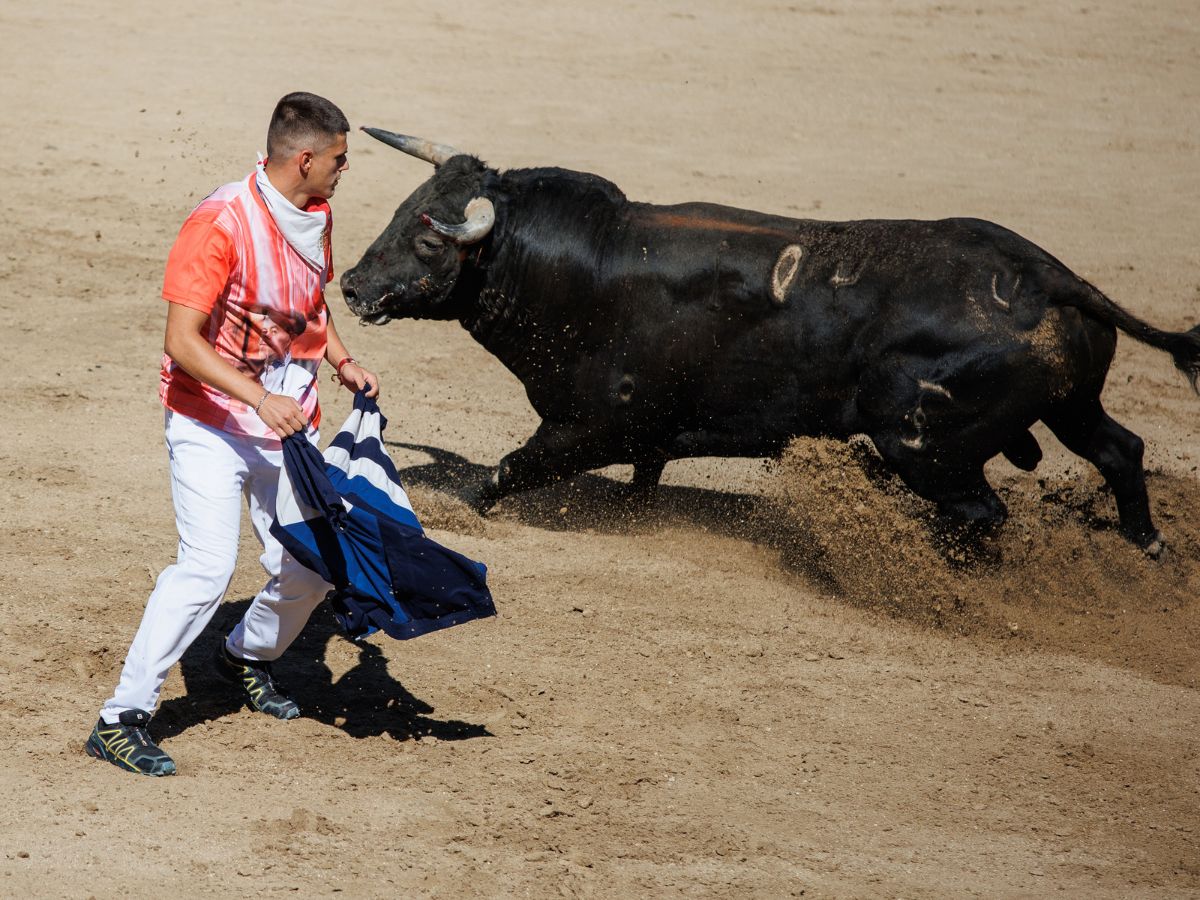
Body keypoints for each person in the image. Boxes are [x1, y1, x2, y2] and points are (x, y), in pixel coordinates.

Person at [85, 92, 379, 776]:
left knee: (311, 564)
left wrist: (340, 357)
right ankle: (119, 718)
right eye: (339, 159)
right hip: (210, 422)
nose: (344, 170)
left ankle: (245, 656)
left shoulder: (314, 214)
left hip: (284, 420)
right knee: (206, 568)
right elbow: (181, 342)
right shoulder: (219, 223)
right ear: (304, 158)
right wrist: (258, 395)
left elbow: (308, 301)